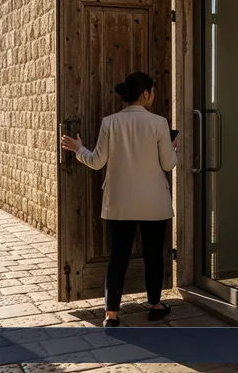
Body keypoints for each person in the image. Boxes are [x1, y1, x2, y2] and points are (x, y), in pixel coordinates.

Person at [60, 72, 177, 327]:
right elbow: (168, 163)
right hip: (153, 202)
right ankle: (155, 304)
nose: (153, 97)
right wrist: (174, 149)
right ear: (146, 93)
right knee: (153, 255)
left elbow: (96, 161)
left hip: (119, 203)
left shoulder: (109, 122)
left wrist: (78, 148)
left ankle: (111, 314)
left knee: (118, 258)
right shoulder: (159, 123)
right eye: (153, 92)